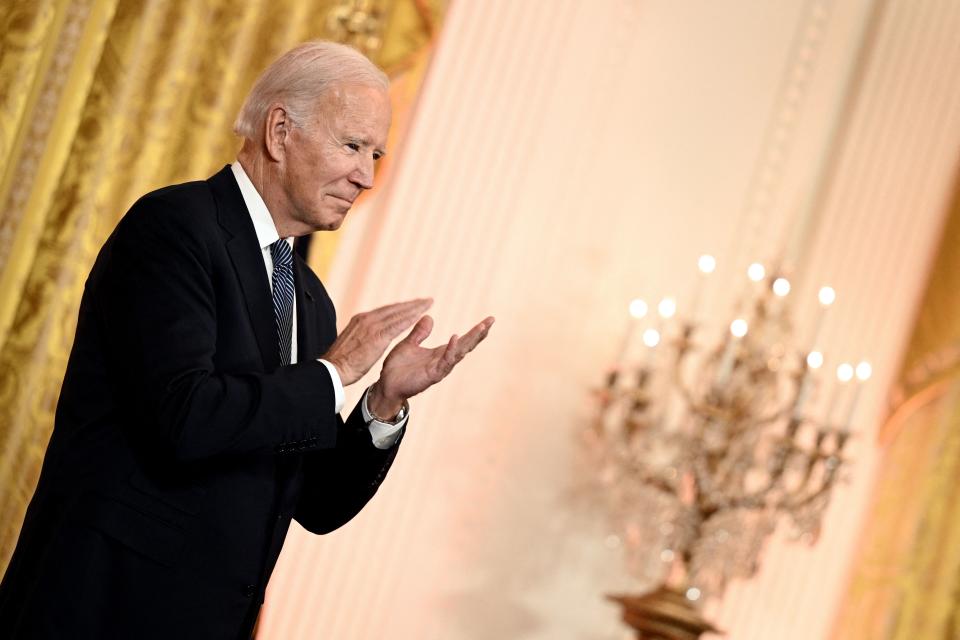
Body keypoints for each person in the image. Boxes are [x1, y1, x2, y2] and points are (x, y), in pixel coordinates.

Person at [0, 41, 494, 639]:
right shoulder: (174, 228)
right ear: (280, 131)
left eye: (377, 154)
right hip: (102, 610)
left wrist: (381, 402)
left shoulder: (310, 299)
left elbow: (309, 502)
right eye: (353, 146)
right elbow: (184, 419)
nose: (366, 176)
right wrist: (333, 373)